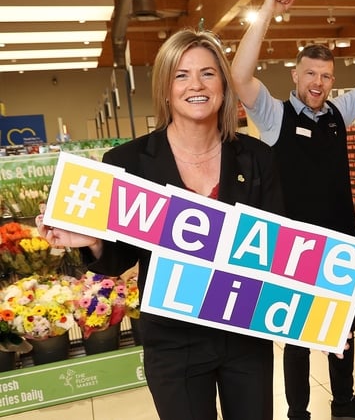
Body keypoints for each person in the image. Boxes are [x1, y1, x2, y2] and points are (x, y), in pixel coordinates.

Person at [37, 28, 284, 420]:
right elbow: (118, 258)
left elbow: (278, 251)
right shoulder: (128, 162)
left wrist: (324, 315)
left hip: (244, 334)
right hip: (173, 341)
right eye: (181, 75)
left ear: (223, 83)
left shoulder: (257, 158)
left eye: (208, 73)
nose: (196, 85)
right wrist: (93, 242)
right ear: (166, 89)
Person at [231, 0, 355, 420]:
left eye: (325, 76)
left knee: (343, 329)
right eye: (310, 75)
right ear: (295, 76)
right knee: (299, 335)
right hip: (293, 248)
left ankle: (343, 403)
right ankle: (298, 413)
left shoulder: (340, 113)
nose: (317, 84)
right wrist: (266, 11)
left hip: (341, 243)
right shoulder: (273, 115)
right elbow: (241, 77)